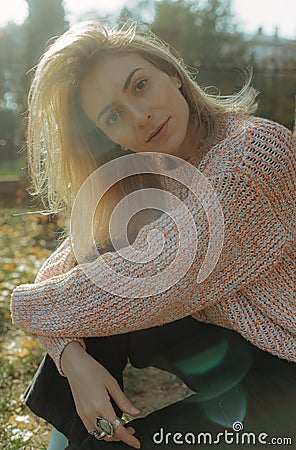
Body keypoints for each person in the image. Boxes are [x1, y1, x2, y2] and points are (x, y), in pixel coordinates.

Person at [10, 20, 295, 450]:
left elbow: (134, 289)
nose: (139, 117)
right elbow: (67, 269)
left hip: (286, 373)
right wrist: (70, 356)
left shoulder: (251, 156)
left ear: (174, 75)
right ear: (109, 136)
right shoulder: (153, 179)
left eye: (140, 85)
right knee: (97, 278)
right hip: (239, 349)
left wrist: (32, 311)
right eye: (113, 115)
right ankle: (84, 435)